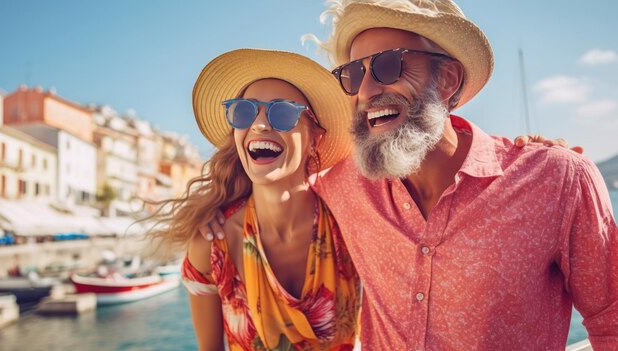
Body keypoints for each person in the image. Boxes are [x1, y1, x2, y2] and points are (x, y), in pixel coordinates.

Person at [202, 1, 616, 350]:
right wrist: (214, 212)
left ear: (448, 78)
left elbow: (610, 322)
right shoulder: (343, 185)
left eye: (387, 66)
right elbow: (280, 179)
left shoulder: (557, 179)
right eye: (353, 75)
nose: (366, 92)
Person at [149, 49, 360, 350]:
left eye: (284, 113)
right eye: (245, 112)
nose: (259, 125)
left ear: (316, 138)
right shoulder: (212, 244)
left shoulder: (350, 224)